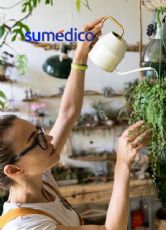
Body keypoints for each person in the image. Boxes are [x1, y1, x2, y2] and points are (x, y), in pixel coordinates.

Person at [0, 17, 151, 229]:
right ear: (13, 170)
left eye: (40, 131)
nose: (50, 138)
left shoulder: (39, 178)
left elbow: (68, 113)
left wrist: (81, 53)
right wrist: (122, 164)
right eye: (37, 140)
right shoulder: (27, 225)